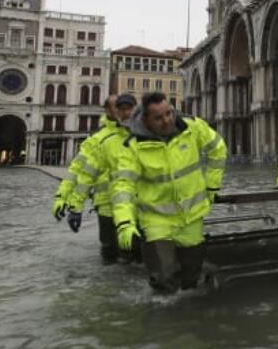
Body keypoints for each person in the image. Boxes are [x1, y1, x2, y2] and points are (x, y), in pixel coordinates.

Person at [112, 92, 227, 293]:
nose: (167, 121)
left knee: (190, 279)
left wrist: (212, 186)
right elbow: (123, 185)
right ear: (146, 119)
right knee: (164, 279)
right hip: (157, 221)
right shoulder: (132, 147)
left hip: (191, 217)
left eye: (169, 113)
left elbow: (218, 148)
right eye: (158, 117)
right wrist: (124, 222)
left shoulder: (192, 127)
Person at [54, 94, 136, 263]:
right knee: (111, 254)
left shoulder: (141, 134)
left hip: (137, 206)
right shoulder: (99, 139)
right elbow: (79, 172)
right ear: (107, 110)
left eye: (128, 108)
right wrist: (67, 200)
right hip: (107, 206)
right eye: (118, 107)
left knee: (135, 255)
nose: (124, 111)